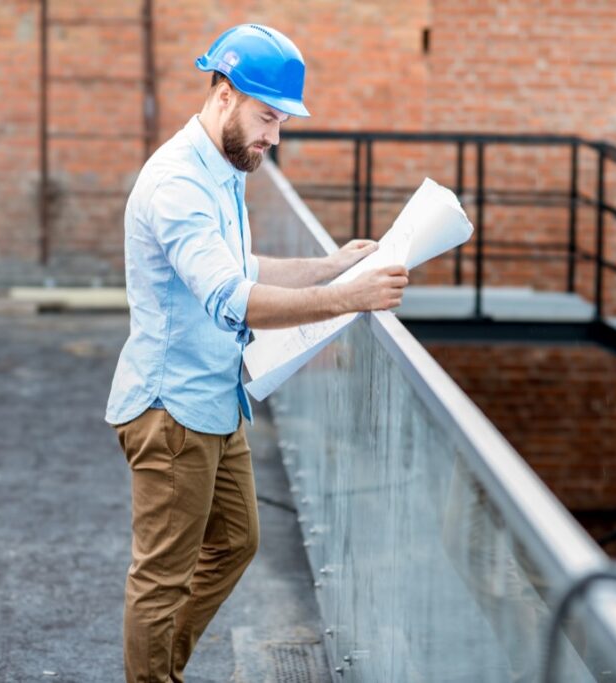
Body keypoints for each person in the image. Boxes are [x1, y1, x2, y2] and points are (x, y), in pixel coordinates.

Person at [105, 24, 408, 683]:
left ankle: (160, 667)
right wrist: (350, 297)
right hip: (172, 410)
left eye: (281, 122)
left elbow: (243, 265)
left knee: (236, 541)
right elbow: (233, 297)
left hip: (215, 395)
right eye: (268, 117)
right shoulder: (178, 185)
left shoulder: (222, 168)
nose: (275, 137)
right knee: (161, 575)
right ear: (223, 94)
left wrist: (330, 268)